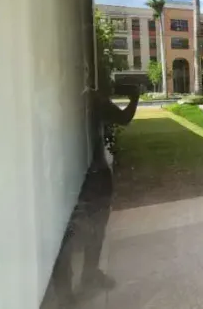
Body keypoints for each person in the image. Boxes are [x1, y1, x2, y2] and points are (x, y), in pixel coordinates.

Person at [53, 84, 140, 305]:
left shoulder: (61, 97)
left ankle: (77, 283)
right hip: (91, 173)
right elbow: (124, 118)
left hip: (77, 173)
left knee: (77, 231)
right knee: (82, 231)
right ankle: (79, 281)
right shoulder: (91, 98)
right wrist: (134, 97)